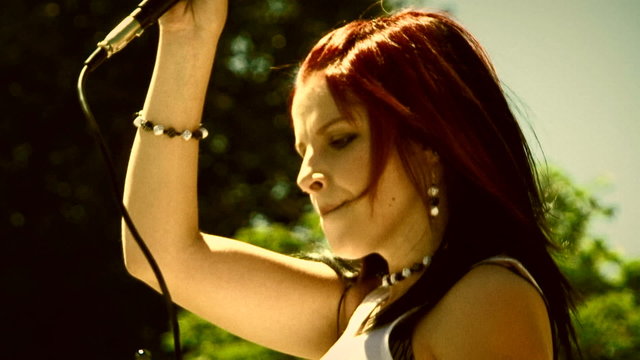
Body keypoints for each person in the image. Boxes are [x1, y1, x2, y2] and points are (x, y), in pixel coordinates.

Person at [122, 0, 579, 359]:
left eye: (339, 140)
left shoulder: (487, 298)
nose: (306, 178)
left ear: (433, 144)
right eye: (303, 151)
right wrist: (188, 36)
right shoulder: (362, 309)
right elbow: (158, 255)